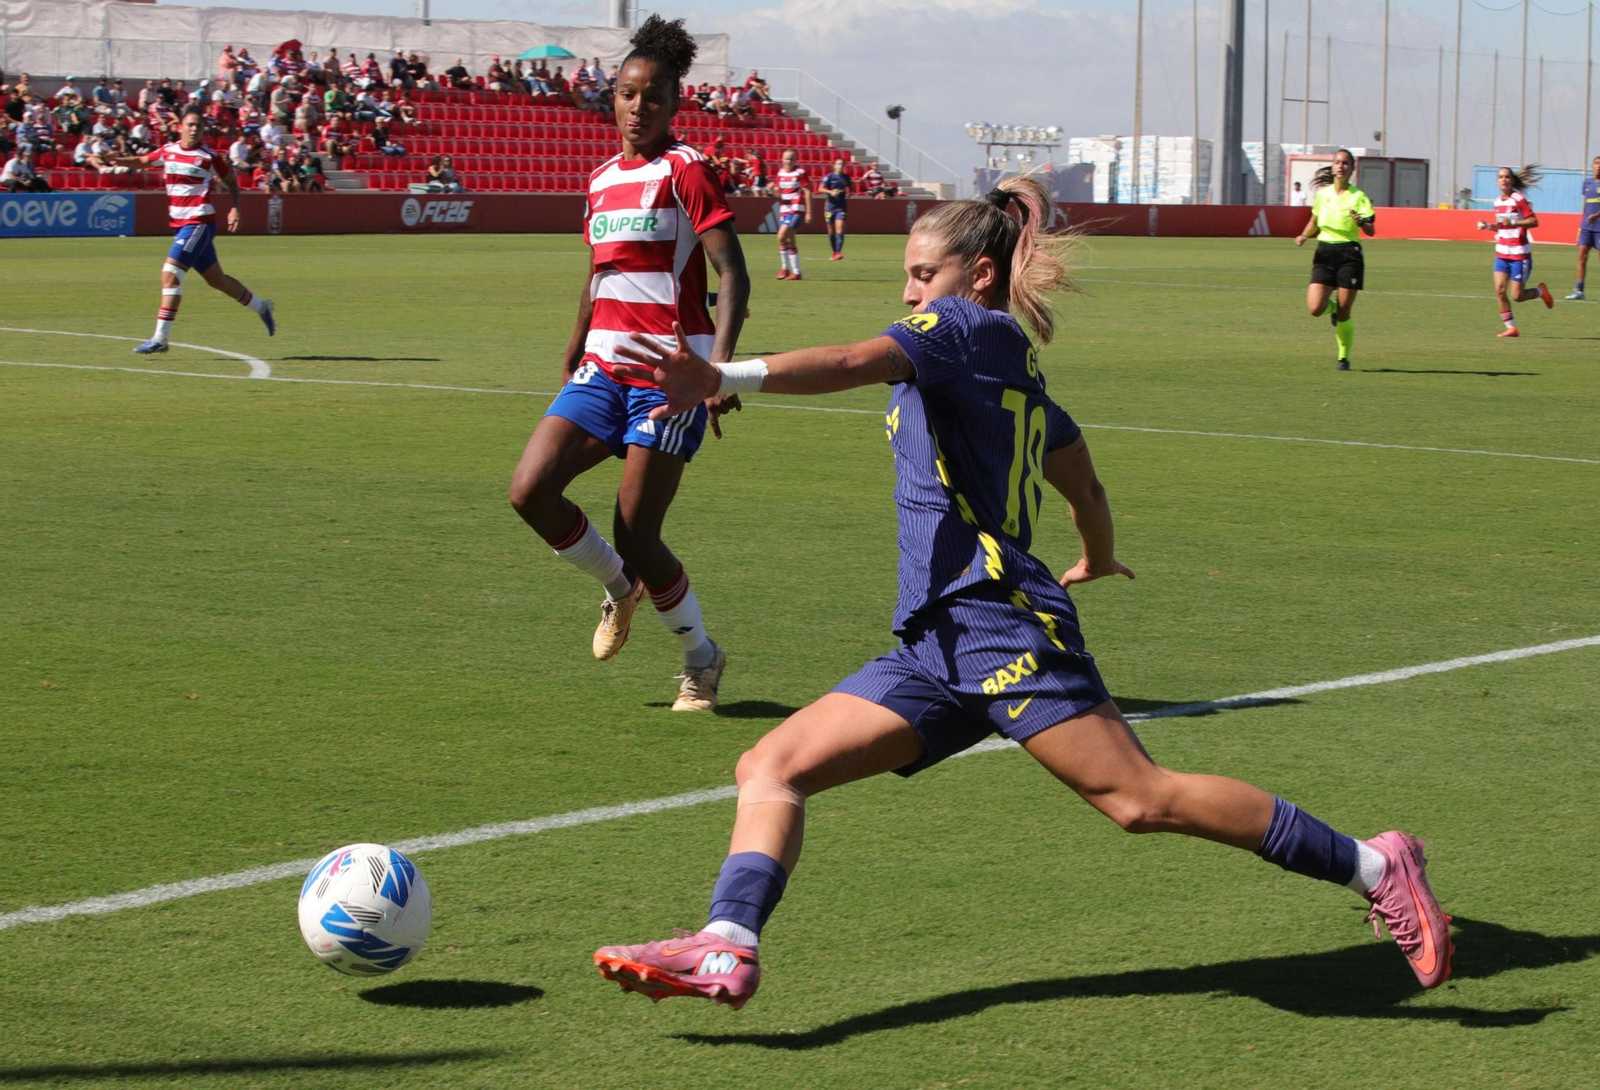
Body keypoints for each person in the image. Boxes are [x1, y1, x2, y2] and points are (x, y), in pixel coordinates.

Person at [591, 176, 1455, 1011]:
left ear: (977, 275)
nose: (909, 292)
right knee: (771, 765)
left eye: (922, 274)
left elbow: (854, 361)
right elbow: (1084, 482)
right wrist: (1097, 555)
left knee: (1139, 799)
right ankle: (727, 942)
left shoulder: (959, 328)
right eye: (907, 277)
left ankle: (1377, 866)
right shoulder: (1010, 372)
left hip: (995, 622)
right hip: (938, 640)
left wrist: (723, 377)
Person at [506, 15, 750, 712]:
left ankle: (701, 659)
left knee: (636, 530)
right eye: (627, 94)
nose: (638, 108)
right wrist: (575, 345)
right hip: (602, 367)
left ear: (674, 104)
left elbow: (733, 274)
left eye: (653, 97)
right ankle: (621, 586)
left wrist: (718, 370)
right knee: (529, 491)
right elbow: (599, 274)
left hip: (669, 378)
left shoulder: (686, 171)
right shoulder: (601, 180)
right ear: (611, 98)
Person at [105, 106, 275, 355]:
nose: (194, 130)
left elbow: (231, 182)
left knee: (170, 273)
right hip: (182, 225)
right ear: (180, 127)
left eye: (199, 126)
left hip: (199, 222)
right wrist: (117, 161)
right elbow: (142, 161)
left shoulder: (208, 157)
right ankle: (262, 307)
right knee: (217, 280)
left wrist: (235, 209)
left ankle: (160, 338)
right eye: (190, 125)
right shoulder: (168, 151)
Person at [1293, 149, 1375, 370]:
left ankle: (1343, 358)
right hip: (1325, 252)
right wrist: (1304, 235)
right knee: (1315, 308)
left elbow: (1371, 229)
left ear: (1352, 168)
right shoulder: (1323, 195)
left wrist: (1361, 222)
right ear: (1333, 166)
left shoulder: (1358, 197)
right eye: (1337, 162)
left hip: (1349, 254)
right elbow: (1314, 221)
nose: (1341, 166)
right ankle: (1333, 311)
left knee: (1345, 311)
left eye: (1345, 163)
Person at [1476, 164, 1554, 337]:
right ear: (1497, 181)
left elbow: (1534, 221)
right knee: (1499, 290)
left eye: (1507, 177)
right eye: (1500, 177)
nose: (1504, 180)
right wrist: (1488, 226)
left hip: (1519, 254)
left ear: (1512, 180)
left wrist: (1513, 222)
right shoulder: (1497, 202)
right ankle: (1511, 328)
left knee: (1517, 296)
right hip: (1502, 253)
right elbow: (1502, 227)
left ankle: (1541, 291)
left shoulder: (1518, 198)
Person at [773, 148, 811, 280]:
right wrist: (774, 190)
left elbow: (807, 192)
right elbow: (777, 192)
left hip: (796, 209)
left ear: (795, 160)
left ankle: (784, 269)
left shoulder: (800, 173)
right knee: (790, 240)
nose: (788, 161)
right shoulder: (780, 173)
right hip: (784, 210)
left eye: (791, 158)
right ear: (782, 160)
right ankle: (796, 272)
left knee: (781, 236)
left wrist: (809, 212)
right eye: (786, 158)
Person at [1568, 156, 1600, 299]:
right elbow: (1585, 204)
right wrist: (1581, 225)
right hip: (1587, 226)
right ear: (1592, 166)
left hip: (1599, 227)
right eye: (1597, 163)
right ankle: (1579, 290)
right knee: (1581, 256)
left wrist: (1597, 215)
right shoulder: (1586, 183)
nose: (1598, 166)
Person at [818, 158, 852, 260]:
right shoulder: (829, 177)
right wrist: (831, 192)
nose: (840, 166)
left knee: (840, 228)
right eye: (838, 164)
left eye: (842, 164)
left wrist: (849, 192)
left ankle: (838, 252)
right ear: (834, 165)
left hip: (841, 207)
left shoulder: (846, 178)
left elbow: (850, 187)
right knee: (830, 230)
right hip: (830, 206)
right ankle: (834, 251)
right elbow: (820, 189)